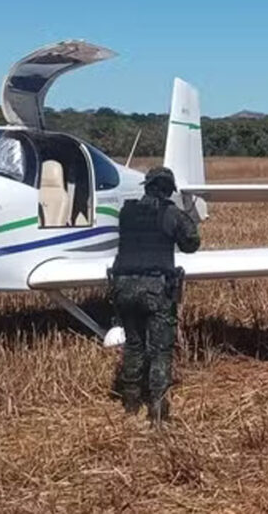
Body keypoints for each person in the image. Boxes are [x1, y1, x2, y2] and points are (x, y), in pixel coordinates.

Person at [108, 166, 200, 425]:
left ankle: (130, 403)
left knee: (134, 346)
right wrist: (186, 215)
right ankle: (158, 408)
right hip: (155, 290)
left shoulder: (127, 212)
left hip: (123, 287)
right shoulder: (170, 213)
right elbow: (191, 243)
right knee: (160, 350)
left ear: (147, 186)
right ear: (168, 189)